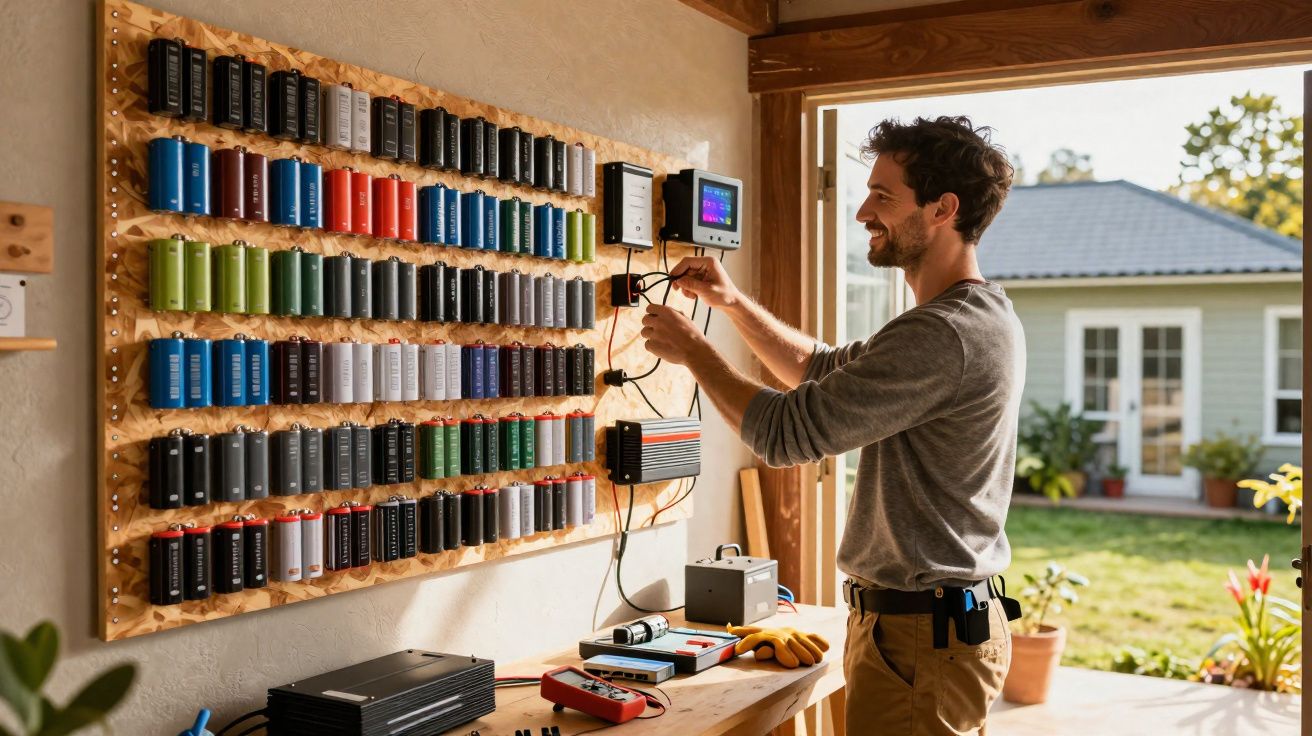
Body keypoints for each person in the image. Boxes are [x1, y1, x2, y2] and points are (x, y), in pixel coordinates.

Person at [639, 116, 1024, 735]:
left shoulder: (944, 333)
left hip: (921, 639)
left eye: (883, 196)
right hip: (924, 630)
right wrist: (732, 306)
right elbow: (820, 369)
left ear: (942, 209)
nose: (862, 212)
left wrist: (694, 352)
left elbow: (786, 433)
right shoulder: (967, 317)